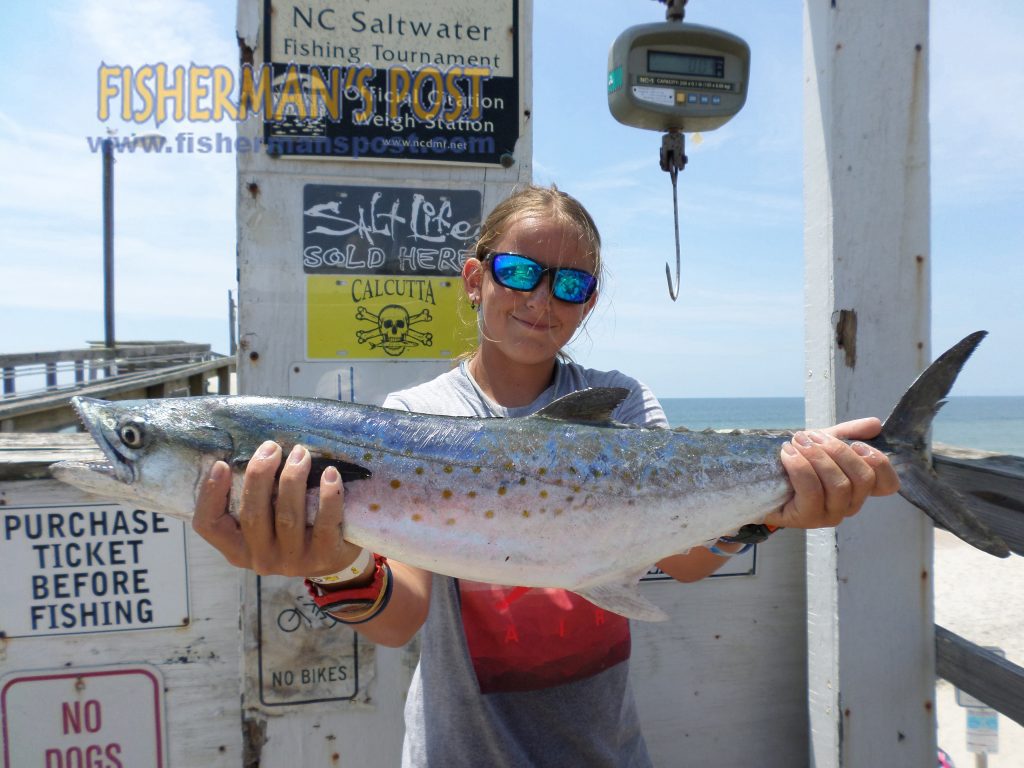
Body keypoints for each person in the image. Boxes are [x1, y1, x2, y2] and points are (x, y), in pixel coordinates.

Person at [193, 184, 900, 767]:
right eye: (521, 274)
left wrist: (768, 509)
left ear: (588, 302)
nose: (541, 301)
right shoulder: (415, 417)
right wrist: (337, 568)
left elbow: (681, 560)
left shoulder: (620, 401)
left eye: (570, 285)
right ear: (476, 279)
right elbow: (402, 612)